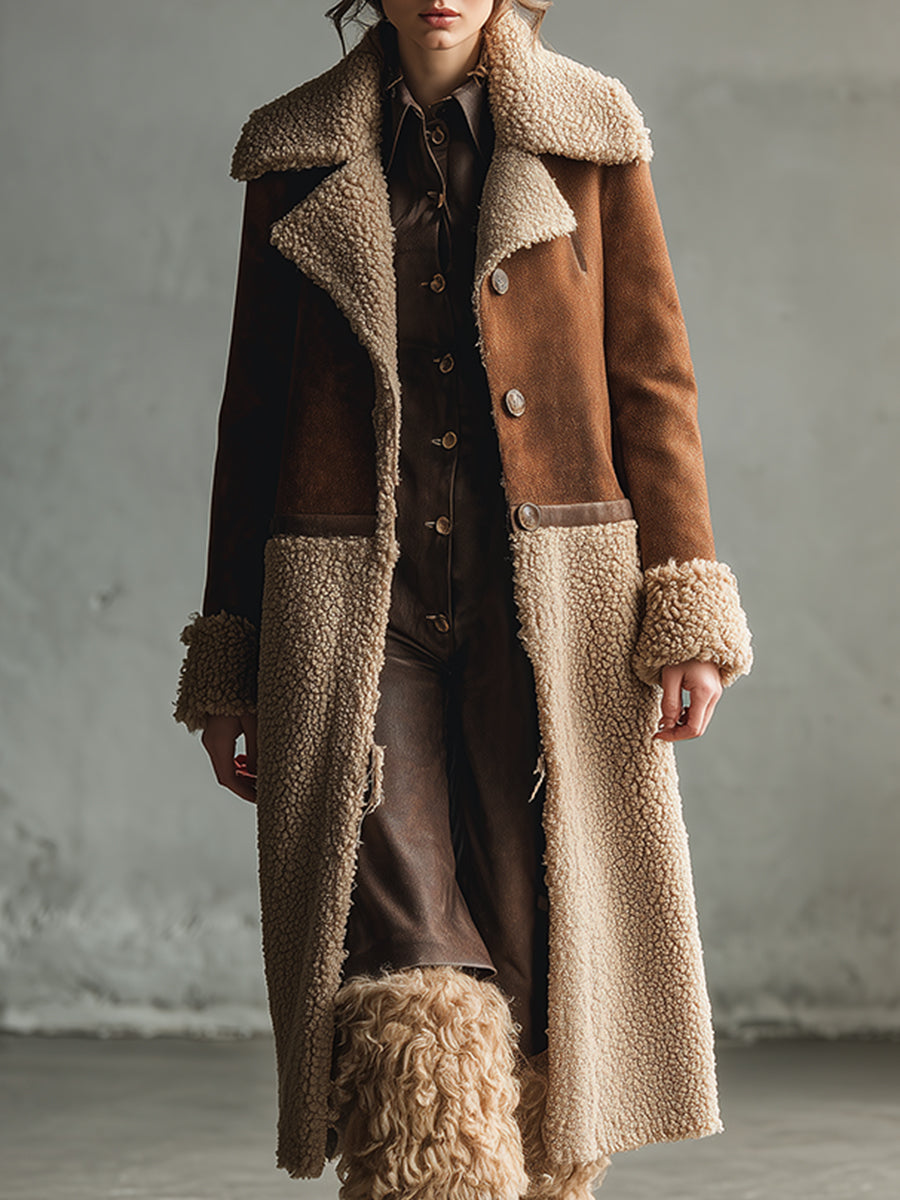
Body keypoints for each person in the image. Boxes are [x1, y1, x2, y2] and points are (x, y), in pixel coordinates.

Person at [173, 1, 753, 1196]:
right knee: (408, 959)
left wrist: (681, 604)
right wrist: (231, 655)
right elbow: (252, 417)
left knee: (539, 951)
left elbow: (653, 382)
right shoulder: (294, 155)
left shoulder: (591, 133)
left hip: (547, 604)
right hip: (352, 611)